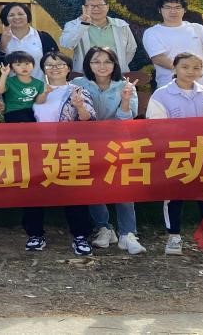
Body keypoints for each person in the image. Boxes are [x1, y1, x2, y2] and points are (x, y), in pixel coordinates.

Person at [145, 52, 203, 260]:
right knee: (174, 196)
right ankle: (174, 236)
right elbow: (155, 125)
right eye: (185, 67)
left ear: (202, 71)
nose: (190, 72)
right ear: (175, 68)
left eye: (196, 68)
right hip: (175, 153)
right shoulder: (161, 95)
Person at [71, 47, 145, 255]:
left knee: (122, 184)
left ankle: (128, 233)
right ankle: (104, 227)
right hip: (88, 143)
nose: (102, 66)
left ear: (115, 64)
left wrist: (125, 100)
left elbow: (126, 119)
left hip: (117, 142)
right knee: (93, 184)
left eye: (107, 61)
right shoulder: (78, 84)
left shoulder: (125, 85)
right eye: (96, 61)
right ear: (88, 64)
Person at [27, 52, 97, 255]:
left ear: (68, 68)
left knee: (73, 192)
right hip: (36, 149)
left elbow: (89, 120)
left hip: (68, 148)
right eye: (49, 65)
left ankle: (80, 236)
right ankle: (35, 234)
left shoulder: (77, 90)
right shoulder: (35, 90)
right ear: (43, 69)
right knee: (34, 192)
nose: (54, 68)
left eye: (59, 64)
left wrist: (79, 106)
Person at [142, 0, 203, 87]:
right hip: (171, 87)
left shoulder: (197, 28)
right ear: (160, 10)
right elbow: (158, 58)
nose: (173, 11)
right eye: (168, 7)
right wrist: (189, 72)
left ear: (184, 10)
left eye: (177, 7)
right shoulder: (152, 32)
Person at [58, 0, 138, 74]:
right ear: (84, 8)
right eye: (91, 6)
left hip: (116, 74)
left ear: (107, 7)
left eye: (100, 5)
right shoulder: (73, 25)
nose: (96, 9)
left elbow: (131, 49)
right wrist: (83, 25)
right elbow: (66, 44)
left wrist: (119, 64)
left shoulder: (121, 25)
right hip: (86, 75)